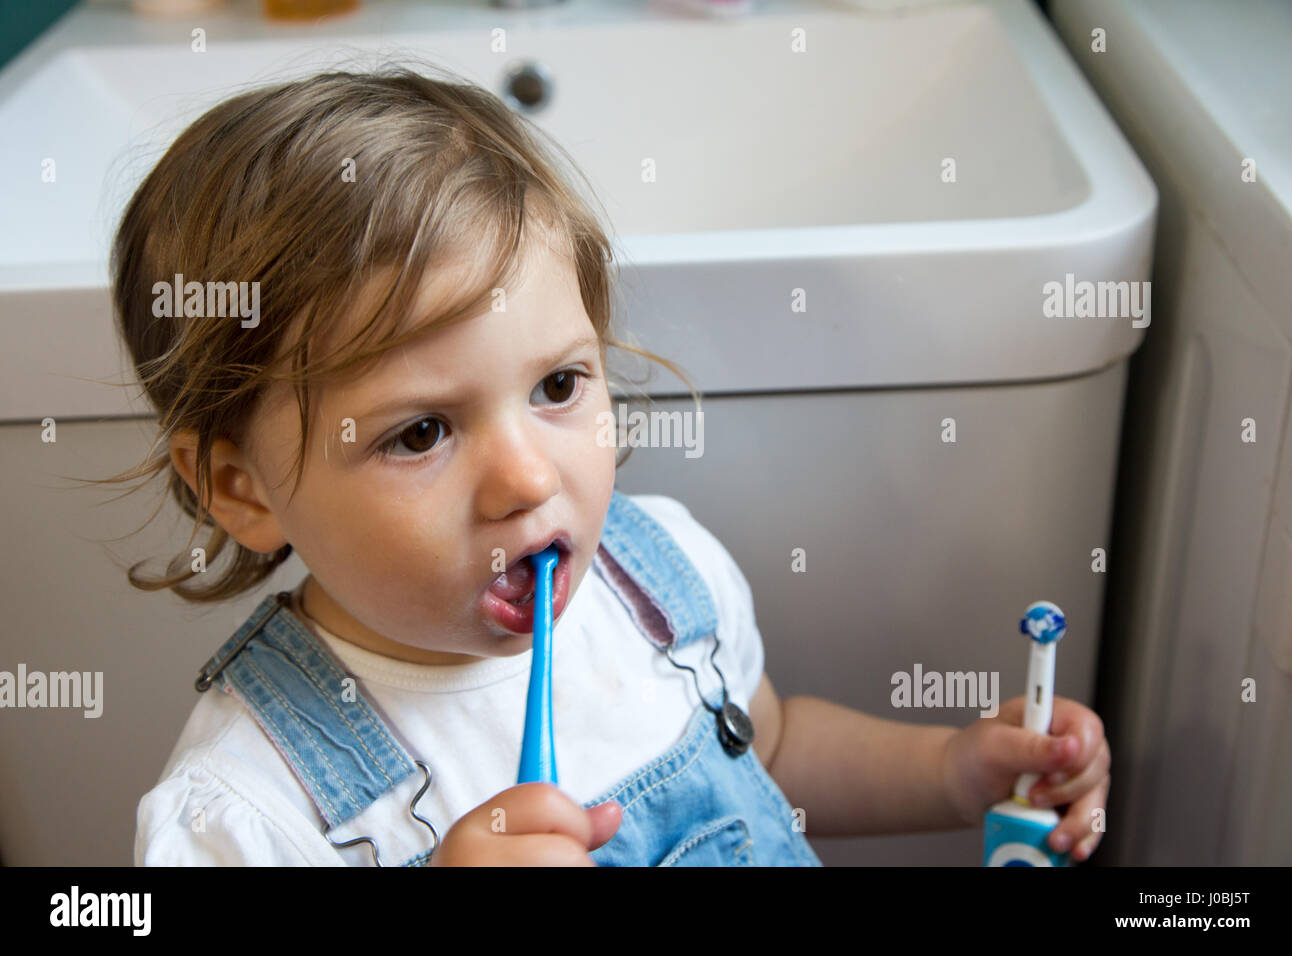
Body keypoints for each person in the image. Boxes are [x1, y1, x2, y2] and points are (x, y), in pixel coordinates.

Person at [107, 64, 1109, 866]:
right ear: (240, 487)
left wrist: (949, 768)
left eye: (556, 387)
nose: (528, 480)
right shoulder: (243, 811)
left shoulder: (659, 577)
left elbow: (770, 748)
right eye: (419, 433)